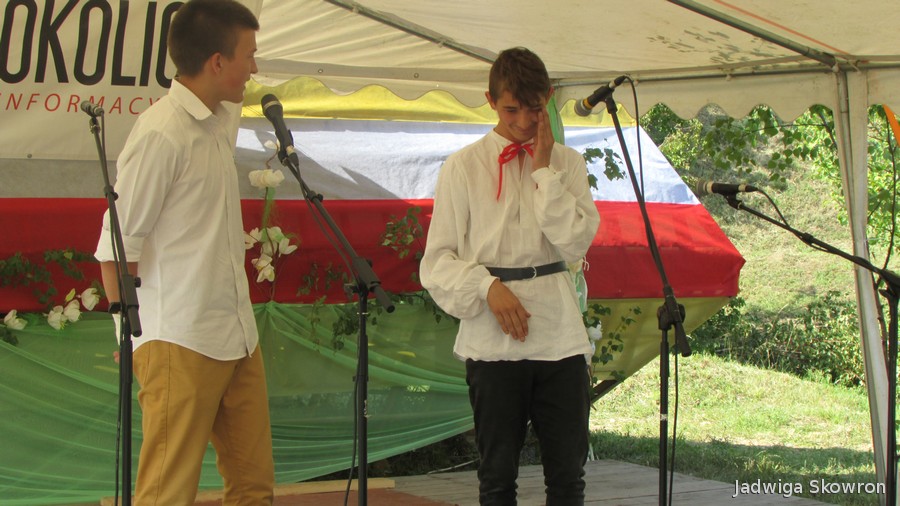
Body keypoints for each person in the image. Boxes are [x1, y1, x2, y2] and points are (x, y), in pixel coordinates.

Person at [94, 1, 274, 504]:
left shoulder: (218, 119)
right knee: (167, 493)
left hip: (236, 334)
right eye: (248, 55)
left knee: (254, 488)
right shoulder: (161, 133)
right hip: (179, 338)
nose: (255, 67)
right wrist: (129, 335)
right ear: (217, 62)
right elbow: (116, 246)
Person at [420, 47, 601, 506]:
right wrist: (487, 286)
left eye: (534, 109)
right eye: (511, 110)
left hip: (559, 335)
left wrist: (543, 172)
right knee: (497, 478)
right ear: (490, 101)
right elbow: (436, 262)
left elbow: (575, 243)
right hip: (492, 337)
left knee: (568, 478)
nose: (523, 122)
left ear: (549, 98)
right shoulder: (463, 166)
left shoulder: (568, 164)